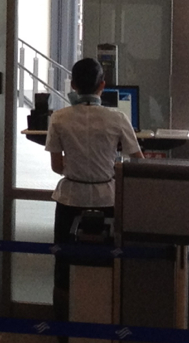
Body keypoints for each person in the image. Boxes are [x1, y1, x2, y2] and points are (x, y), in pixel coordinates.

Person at [44, 56, 143, 320]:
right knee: (107, 261)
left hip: (70, 198)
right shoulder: (117, 117)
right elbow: (138, 161)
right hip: (107, 199)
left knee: (64, 264)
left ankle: (63, 329)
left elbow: (56, 166)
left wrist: (78, 165)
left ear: (73, 85)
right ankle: (105, 320)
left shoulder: (59, 118)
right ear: (103, 85)